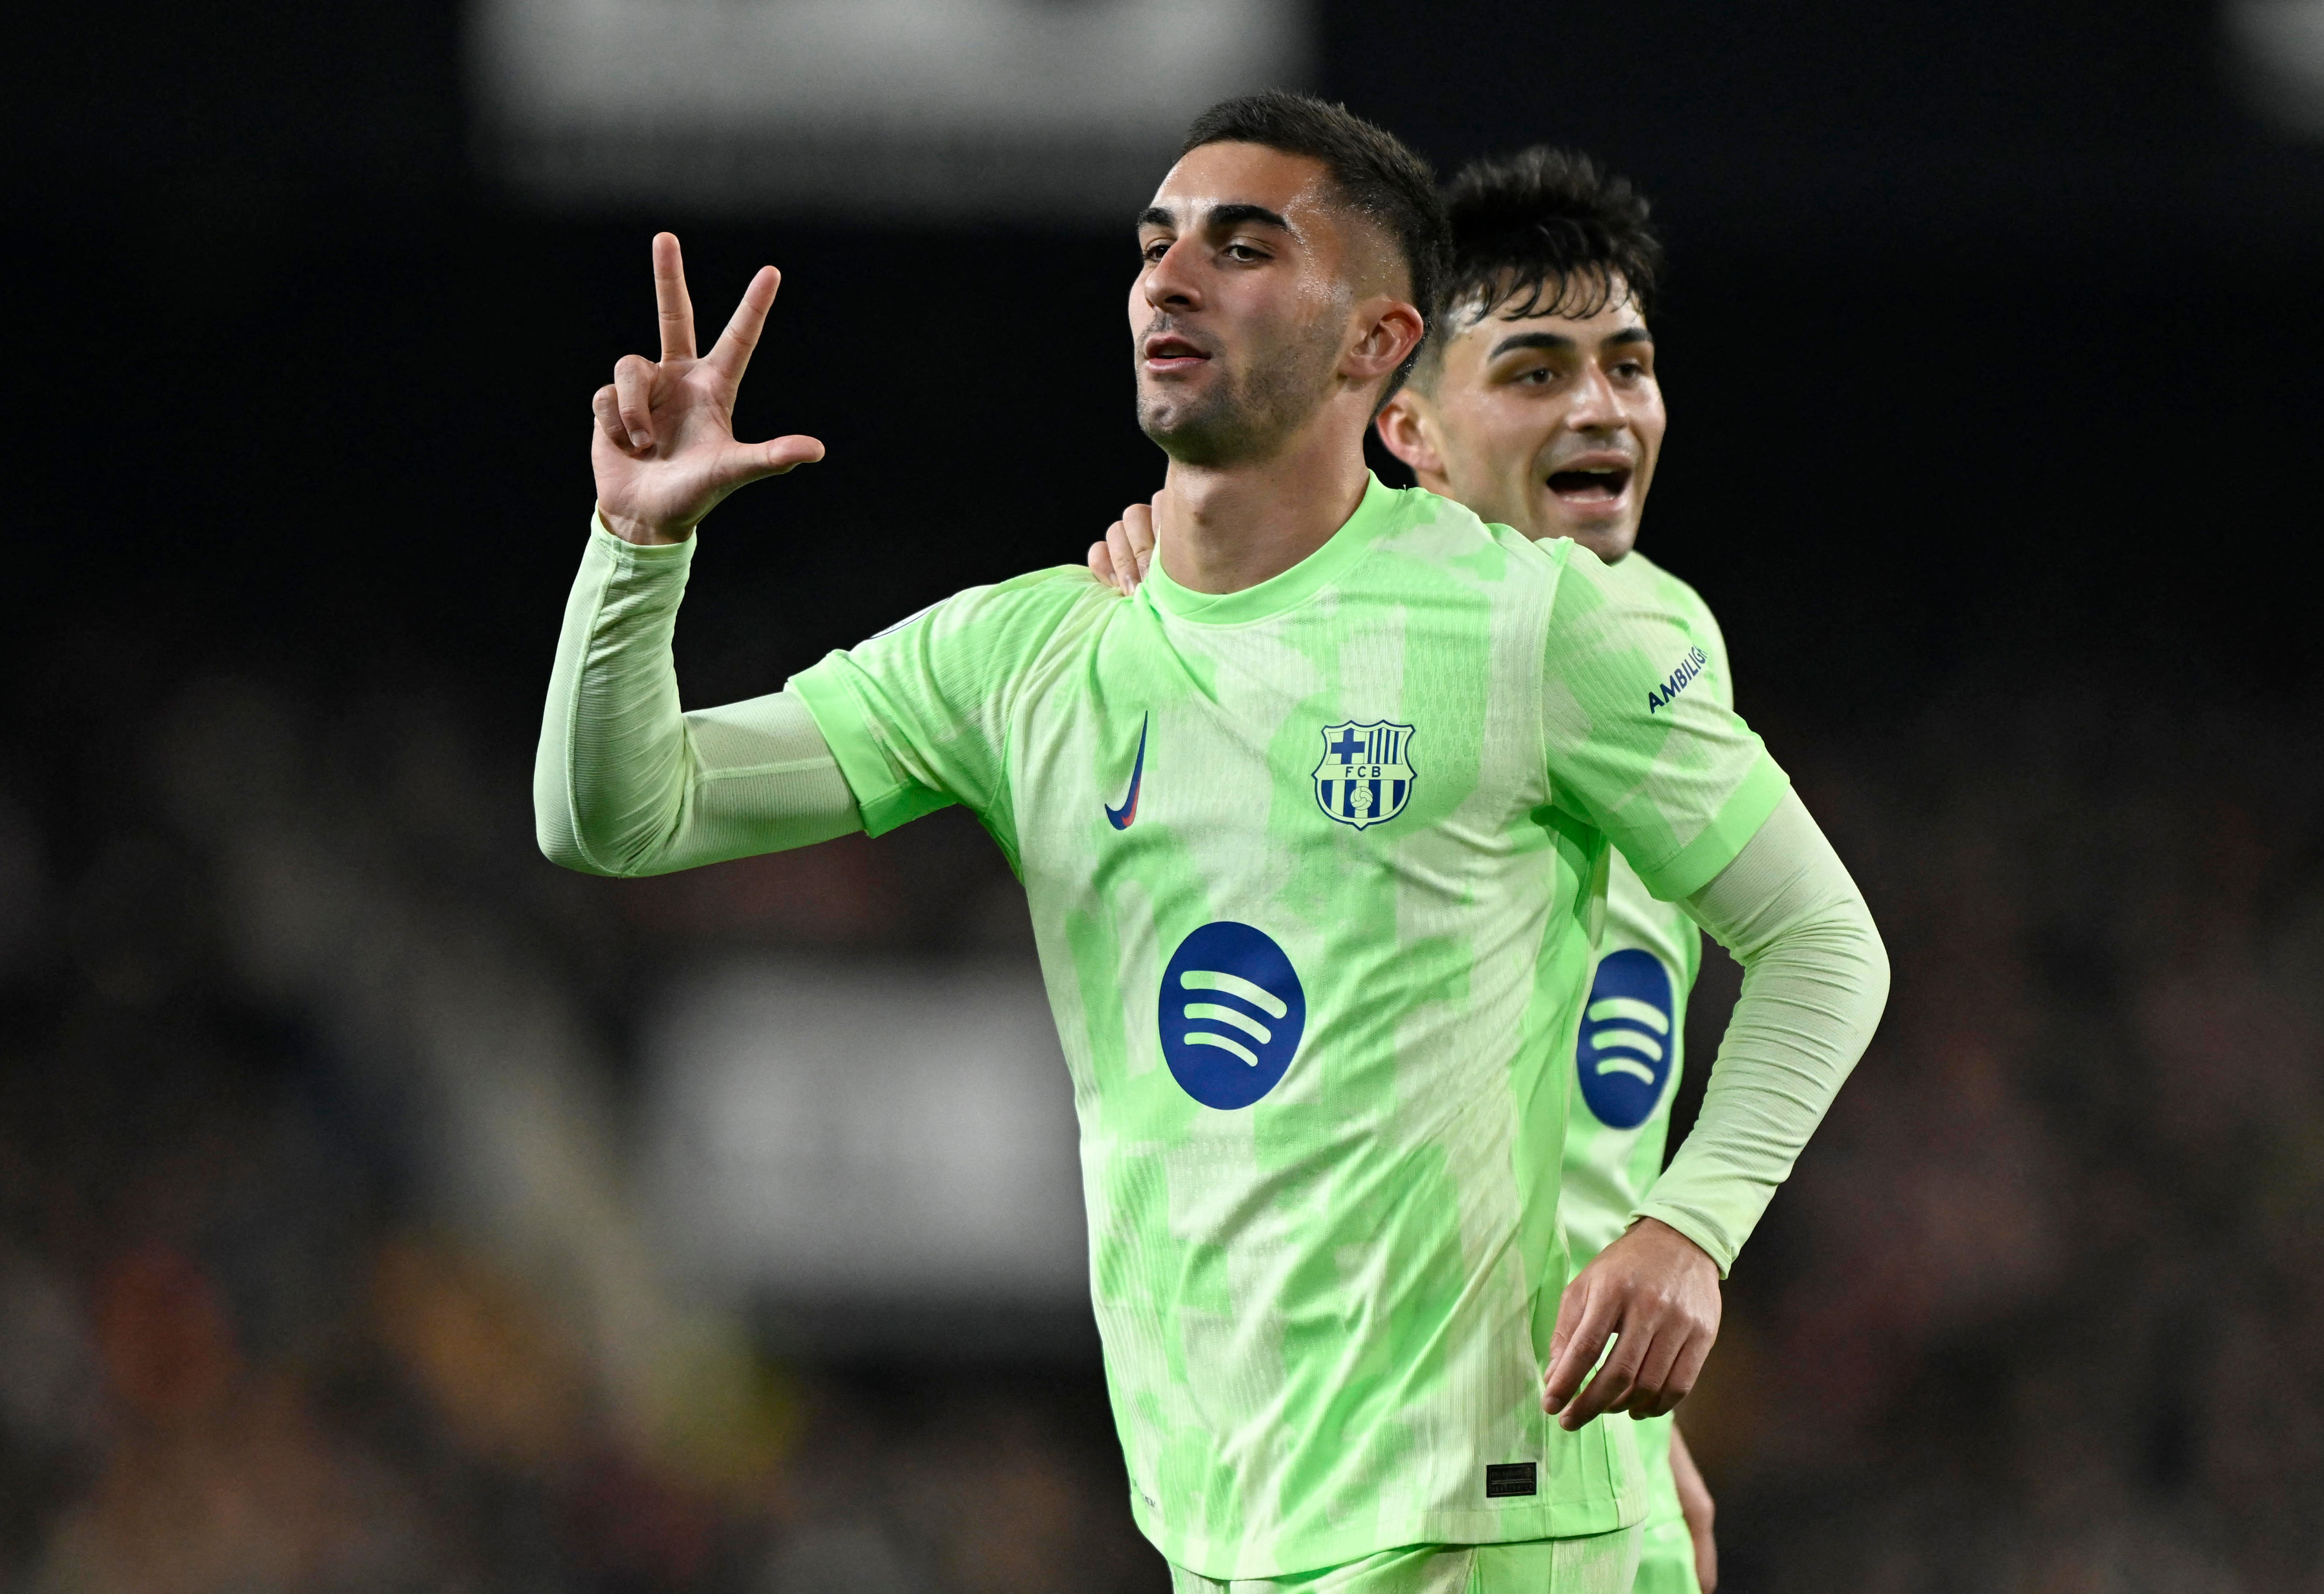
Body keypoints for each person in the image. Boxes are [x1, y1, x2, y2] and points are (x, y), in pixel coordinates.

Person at [536, 90, 1888, 1593]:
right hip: (1218, 1533)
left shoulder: (1534, 626)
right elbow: (620, 815)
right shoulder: (1029, 651)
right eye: (1155, 245)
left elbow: (1822, 942)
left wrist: (1686, 1233)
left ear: (1378, 344)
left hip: (1484, 1526)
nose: (1170, 280)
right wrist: (634, 552)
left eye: (1243, 248)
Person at [1089, 147, 1734, 1593]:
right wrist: (1175, 597)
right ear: (1408, 430)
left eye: (1627, 367)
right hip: (1370, 1480)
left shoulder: (1667, 629)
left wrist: (1659, 1422)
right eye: (1533, 372)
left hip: (1577, 1461)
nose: (1599, 409)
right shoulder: (1336, 651)